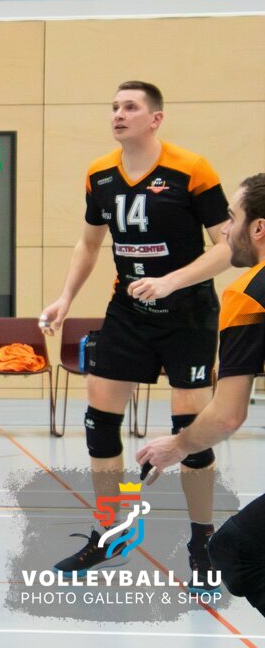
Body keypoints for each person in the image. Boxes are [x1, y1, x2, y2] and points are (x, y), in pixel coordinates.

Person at [40, 81, 230, 588]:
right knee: (98, 422)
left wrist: (171, 280)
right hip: (128, 311)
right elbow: (88, 244)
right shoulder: (99, 174)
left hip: (188, 312)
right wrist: (65, 298)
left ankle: (203, 541)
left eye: (130, 107)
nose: (118, 114)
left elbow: (227, 247)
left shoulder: (192, 169)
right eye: (114, 107)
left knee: (190, 433)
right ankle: (111, 533)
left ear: (155, 119)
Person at [136, 173, 265, 611]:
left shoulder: (248, 295)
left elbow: (228, 414)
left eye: (232, 217)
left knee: (236, 551)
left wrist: (177, 445)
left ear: (258, 228)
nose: (225, 230)